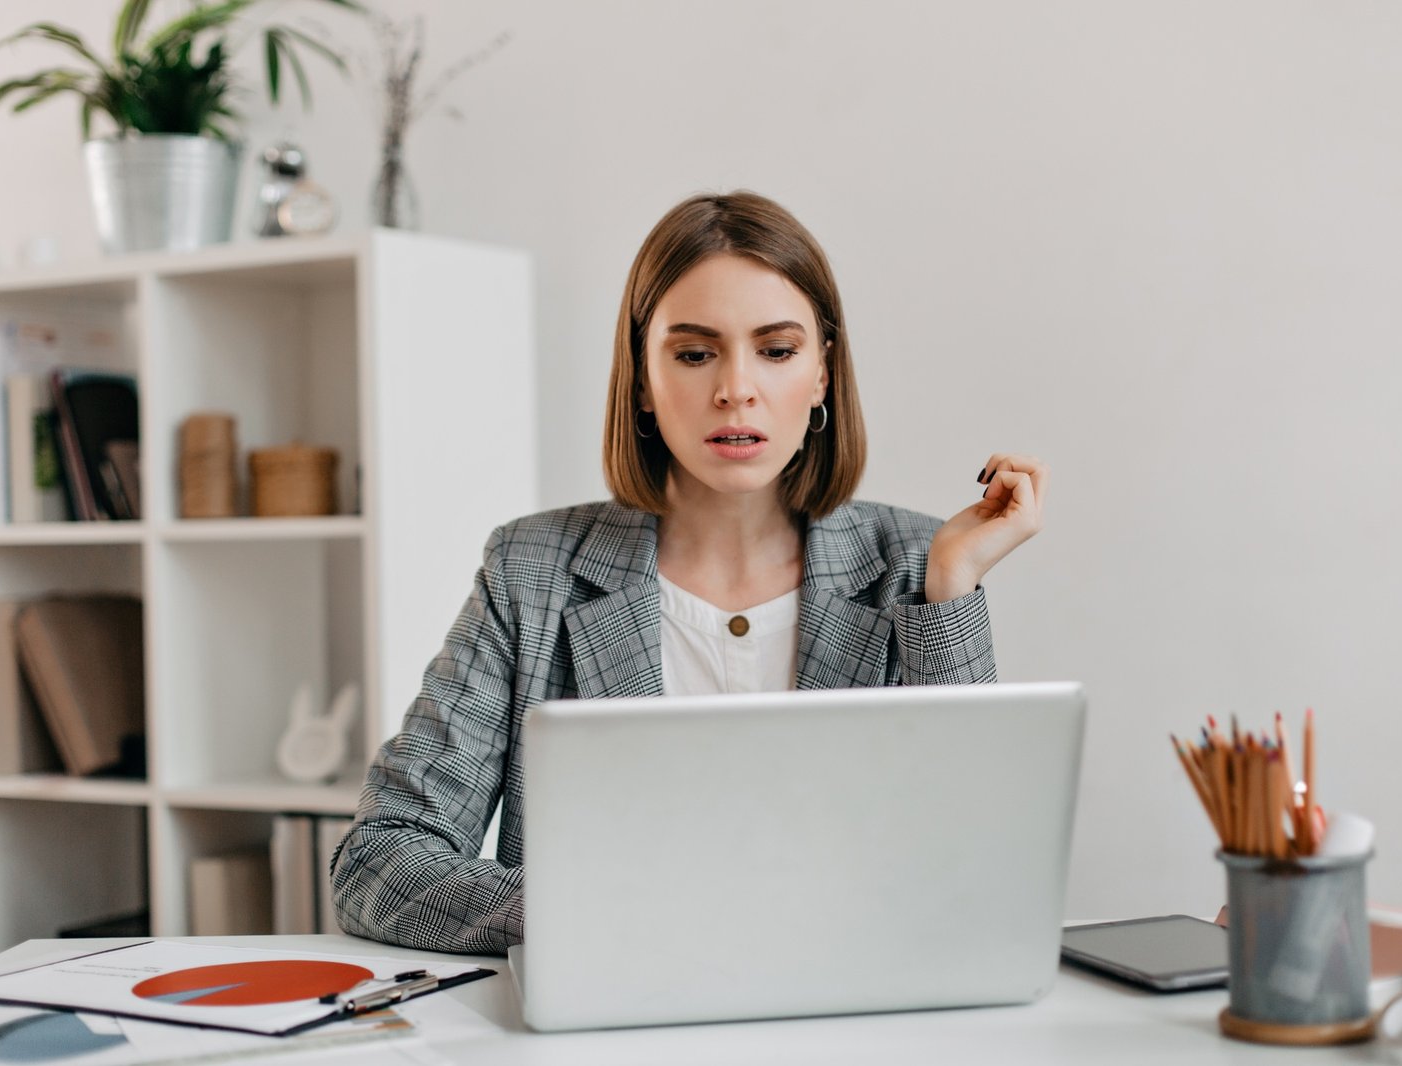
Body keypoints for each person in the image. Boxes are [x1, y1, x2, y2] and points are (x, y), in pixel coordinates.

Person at [331, 191, 1049, 955]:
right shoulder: (529, 570)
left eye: (776, 351)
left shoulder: (914, 565)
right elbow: (379, 862)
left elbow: (976, 867)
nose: (735, 388)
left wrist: (951, 588)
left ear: (822, 377)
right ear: (642, 378)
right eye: (694, 352)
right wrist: (606, 914)